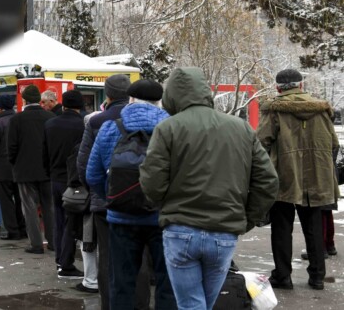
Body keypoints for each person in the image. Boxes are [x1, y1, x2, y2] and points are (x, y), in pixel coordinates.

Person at [140, 67, 278, 309]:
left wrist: (165, 206)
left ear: (171, 96)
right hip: (223, 232)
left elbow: (152, 181)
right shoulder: (241, 128)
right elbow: (267, 181)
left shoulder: (168, 128)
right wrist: (247, 219)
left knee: (191, 304)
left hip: (180, 229)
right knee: (205, 302)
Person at [86, 80, 176, 309]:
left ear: (131, 99)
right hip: (163, 218)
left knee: (123, 283)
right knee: (167, 283)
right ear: (159, 101)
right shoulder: (172, 128)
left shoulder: (109, 128)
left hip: (122, 218)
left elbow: (93, 174)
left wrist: (112, 197)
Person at [256, 68, 339, 291]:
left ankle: (283, 276)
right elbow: (333, 144)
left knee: (281, 228)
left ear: (277, 88)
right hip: (316, 176)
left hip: (283, 177)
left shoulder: (274, 110)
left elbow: (261, 144)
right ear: (300, 85)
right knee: (313, 226)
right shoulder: (322, 110)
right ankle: (317, 277)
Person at [76, 73, 131, 299]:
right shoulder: (147, 117)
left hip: (105, 201)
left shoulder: (96, 121)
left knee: (107, 256)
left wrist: (99, 192)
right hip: (142, 200)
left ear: (108, 94)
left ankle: (109, 302)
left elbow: (84, 165)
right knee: (137, 256)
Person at [7, 84, 56, 254]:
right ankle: (53, 241)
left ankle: (36, 244)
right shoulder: (50, 117)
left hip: (25, 170)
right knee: (49, 206)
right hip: (48, 170)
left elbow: (11, 148)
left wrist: (16, 163)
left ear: (25, 100)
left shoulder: (16, 120)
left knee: (29, 207)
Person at [43, 90, 87, 279]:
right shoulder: (82, 126)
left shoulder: (50, 124)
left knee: (59, 220)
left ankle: (60, 259)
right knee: (72, 223)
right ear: (80, 105)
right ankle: (67, 264)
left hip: (54, 178)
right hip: (74, 180)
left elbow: (44, 153)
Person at [0, 94, 27, 240]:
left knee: (7, 201)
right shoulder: (21, 121)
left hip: (2, 169)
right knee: (21, 199)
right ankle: (23, 228)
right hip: (21, 167)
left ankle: (13, 230)